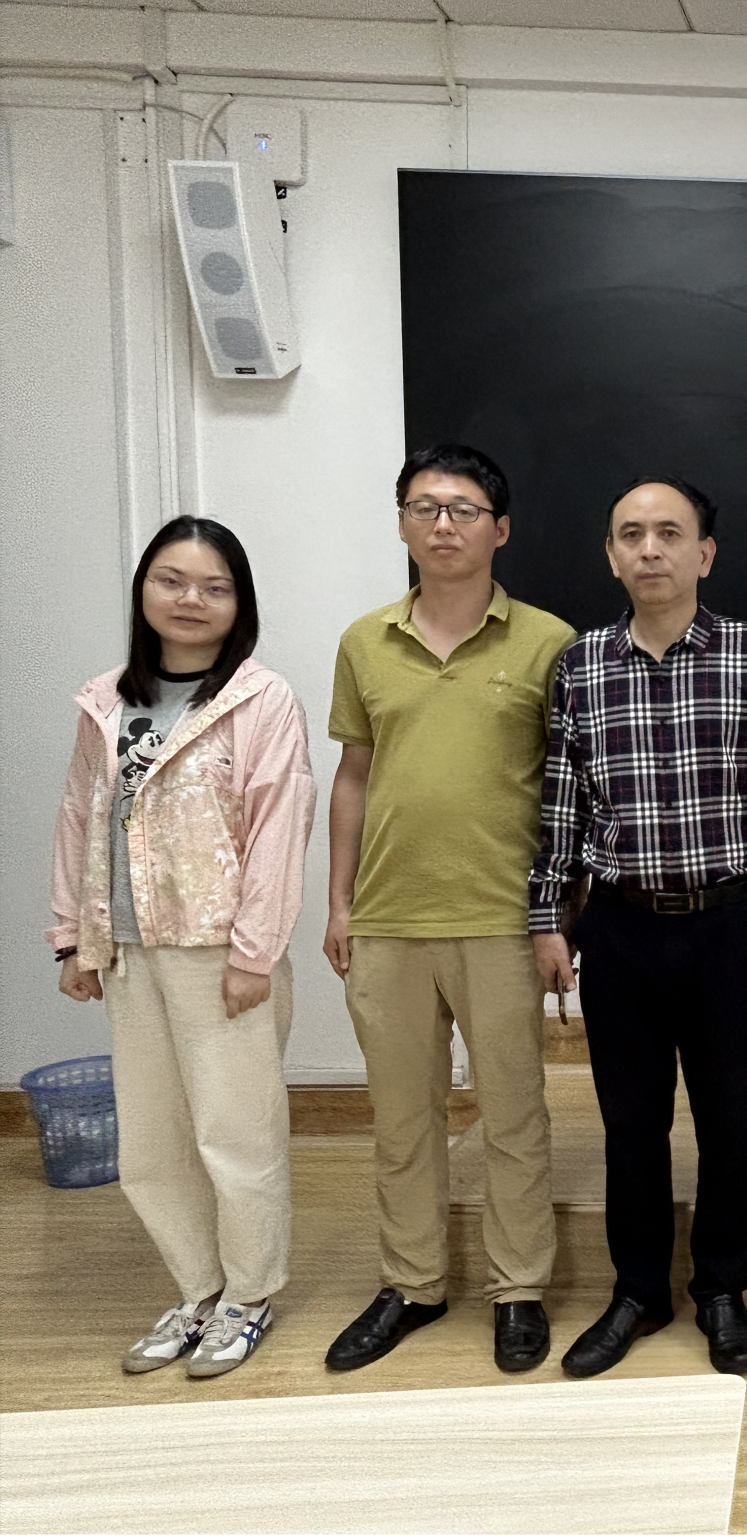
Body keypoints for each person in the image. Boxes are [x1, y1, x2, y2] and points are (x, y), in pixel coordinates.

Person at [530, 477, 747, 1379]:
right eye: (631, 534)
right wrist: (547, 919)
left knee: (729, 1120)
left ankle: (723, 1288)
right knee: (631, 1124)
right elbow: (561, 809)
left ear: (705, 553)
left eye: (668, 532)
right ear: (611, 555)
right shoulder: (581, 666)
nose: (649, 548)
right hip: (618, 930)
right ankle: (639, 1291)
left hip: (725, 925)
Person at [322, 444, 574, 1375]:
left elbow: (569, 793)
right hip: (387, 919)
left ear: (499, 529)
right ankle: (413, 1282)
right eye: (424, 506)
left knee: (513, 1114)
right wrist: (339, 901)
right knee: (402, 1118)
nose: (442, 524)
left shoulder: (548, 641)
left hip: (501, 916)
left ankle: (518, 1287)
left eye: (464, 509)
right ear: (401, 523)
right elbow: (353, 777)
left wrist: (559, 915)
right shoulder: (364, 641)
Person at [49, 517, 315, 1378]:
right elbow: (81, 816)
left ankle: (249, 1295)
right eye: (172, 580)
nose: (191, 599)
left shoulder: (258, 699)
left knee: (234, 1135)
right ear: (143, 592)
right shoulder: (106, 699)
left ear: (240, 603)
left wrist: (254, 952)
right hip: (128, 948)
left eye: (214, 586)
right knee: (154, 1143)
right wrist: (74, 936)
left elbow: (279, 826)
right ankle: (198, 1287)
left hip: (219, 950)